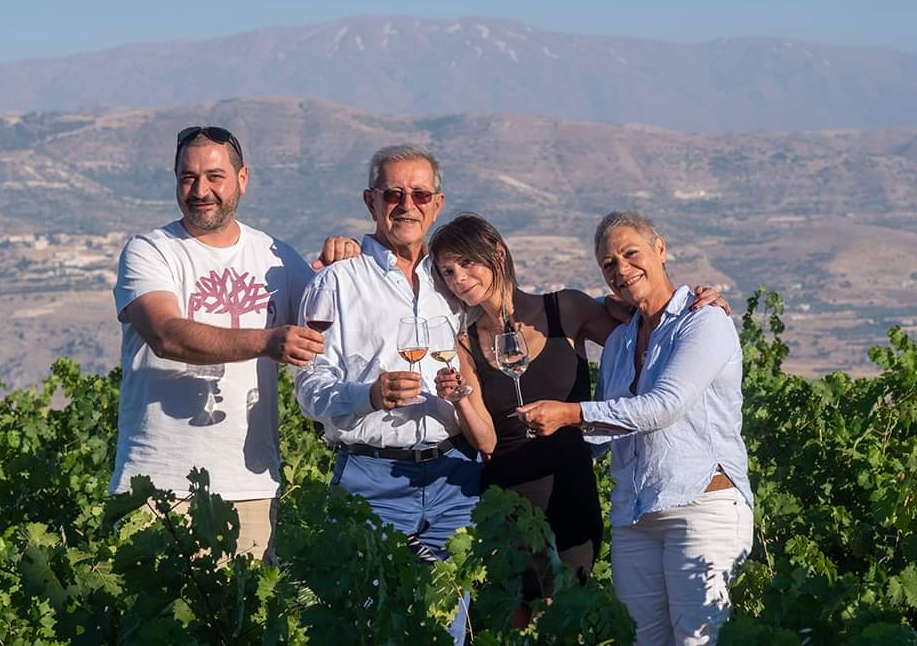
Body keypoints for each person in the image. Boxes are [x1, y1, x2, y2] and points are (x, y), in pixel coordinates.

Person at [429, 214, 728, 626]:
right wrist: (460, 397)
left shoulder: (564, 308)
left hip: (570, 489)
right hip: (508, 498)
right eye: (448, 271)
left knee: (562, 619)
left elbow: (645, 334)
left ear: (497, 253)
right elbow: (486, 442)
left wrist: (698, 306)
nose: (459, 278)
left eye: (467, 263)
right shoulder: (464, 342)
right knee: (515, 622)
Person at [111, 125, 358, 562]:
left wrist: (342, 271)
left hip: (250, 487)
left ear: (243, 179)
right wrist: (268, 341)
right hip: (155, 489)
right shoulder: (150, 252)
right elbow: (166, 334)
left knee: (246, 628)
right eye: (188, 177)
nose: (200, 190)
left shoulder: (275, 256)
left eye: (214, 176)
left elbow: (333, 329)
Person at [518, 210, 753, 646]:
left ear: (659, 249)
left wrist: (568, 414)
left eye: (631, 254)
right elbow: (606, 430)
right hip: (635, 514)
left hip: (701, 506)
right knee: (643, 640)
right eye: (609, 264)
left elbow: (664, 407)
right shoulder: (621, 343)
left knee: (699, 641)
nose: (622, 270)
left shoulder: (704, 321)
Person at [294, 145, 479, 645]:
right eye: (393, 193)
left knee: (450, 627)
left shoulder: (453, 282)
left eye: (419, 193)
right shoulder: (334, 283)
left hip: (453, 477)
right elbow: (309, 388)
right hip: (370, 477)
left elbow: (519, 316)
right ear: (370, 201)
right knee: (371, 626)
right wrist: (367, 396)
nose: (407, 204)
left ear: (437, 203)